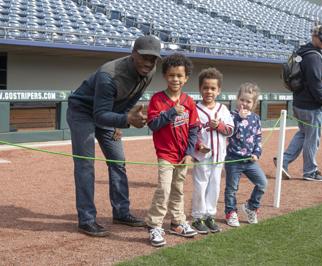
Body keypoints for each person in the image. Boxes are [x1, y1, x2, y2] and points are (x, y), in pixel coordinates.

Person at [67, 35, 161, 237]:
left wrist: (121, 119)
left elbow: (134, 95)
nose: (148, 62)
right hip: (83, 112)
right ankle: (87, 219)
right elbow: (99, 115)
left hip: (110, 112)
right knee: (86, 163)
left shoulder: (149, 71)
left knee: (118, 161)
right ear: (133, 54)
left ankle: (121, 212)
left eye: (153, 59)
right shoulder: (108, 74)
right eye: (144, 57)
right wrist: (125, 119)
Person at [145, 53, 200, 247]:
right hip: (165, 154)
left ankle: (177, 222)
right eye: (171, 75)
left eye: (179, 76)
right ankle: (154, 225)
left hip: (183, 155)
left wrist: (189, 153)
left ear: (186, 78)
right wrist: (170, 112)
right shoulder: (158, 99)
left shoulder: (189, 101)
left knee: (178, 189)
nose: (175, 79)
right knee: (164, 188)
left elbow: (194, 129)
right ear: (165, 76)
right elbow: (153, 125)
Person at [274, 24, 322, 182]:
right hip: (311, 105)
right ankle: (310, 171)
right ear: (313, 37)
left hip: (299, 102)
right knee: (312, 138)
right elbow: (315, 82)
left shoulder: (302, 52)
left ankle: (283, 161)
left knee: (303, 134)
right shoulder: (313, 56)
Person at [191, 68, 234, 234]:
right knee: (200, 185)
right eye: (205, 87)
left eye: (213, 88)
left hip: (218, 155)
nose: (209, 91)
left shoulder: (223, 109)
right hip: (202, 156)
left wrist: (220, 126)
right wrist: (198, 146)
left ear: (219, 90)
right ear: (200, 89)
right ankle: (198, 217)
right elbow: (192, 133)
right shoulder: (195, 109)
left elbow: (230, 129)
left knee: (214, 185)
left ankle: (210, 215)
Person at [224, 82, 268, 227]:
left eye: (248, 101)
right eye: (242, 99)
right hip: (233, 159)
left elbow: (258, 138)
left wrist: (256, 153)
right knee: (232, 188)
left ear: (254, 103)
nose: (245, 103)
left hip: (250, 160)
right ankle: (231, 212)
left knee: (262, 183)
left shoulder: (255, 118)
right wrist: (239, 119)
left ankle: (251, 207)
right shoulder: (232, 115)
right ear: (237, 99)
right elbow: (230, 132)